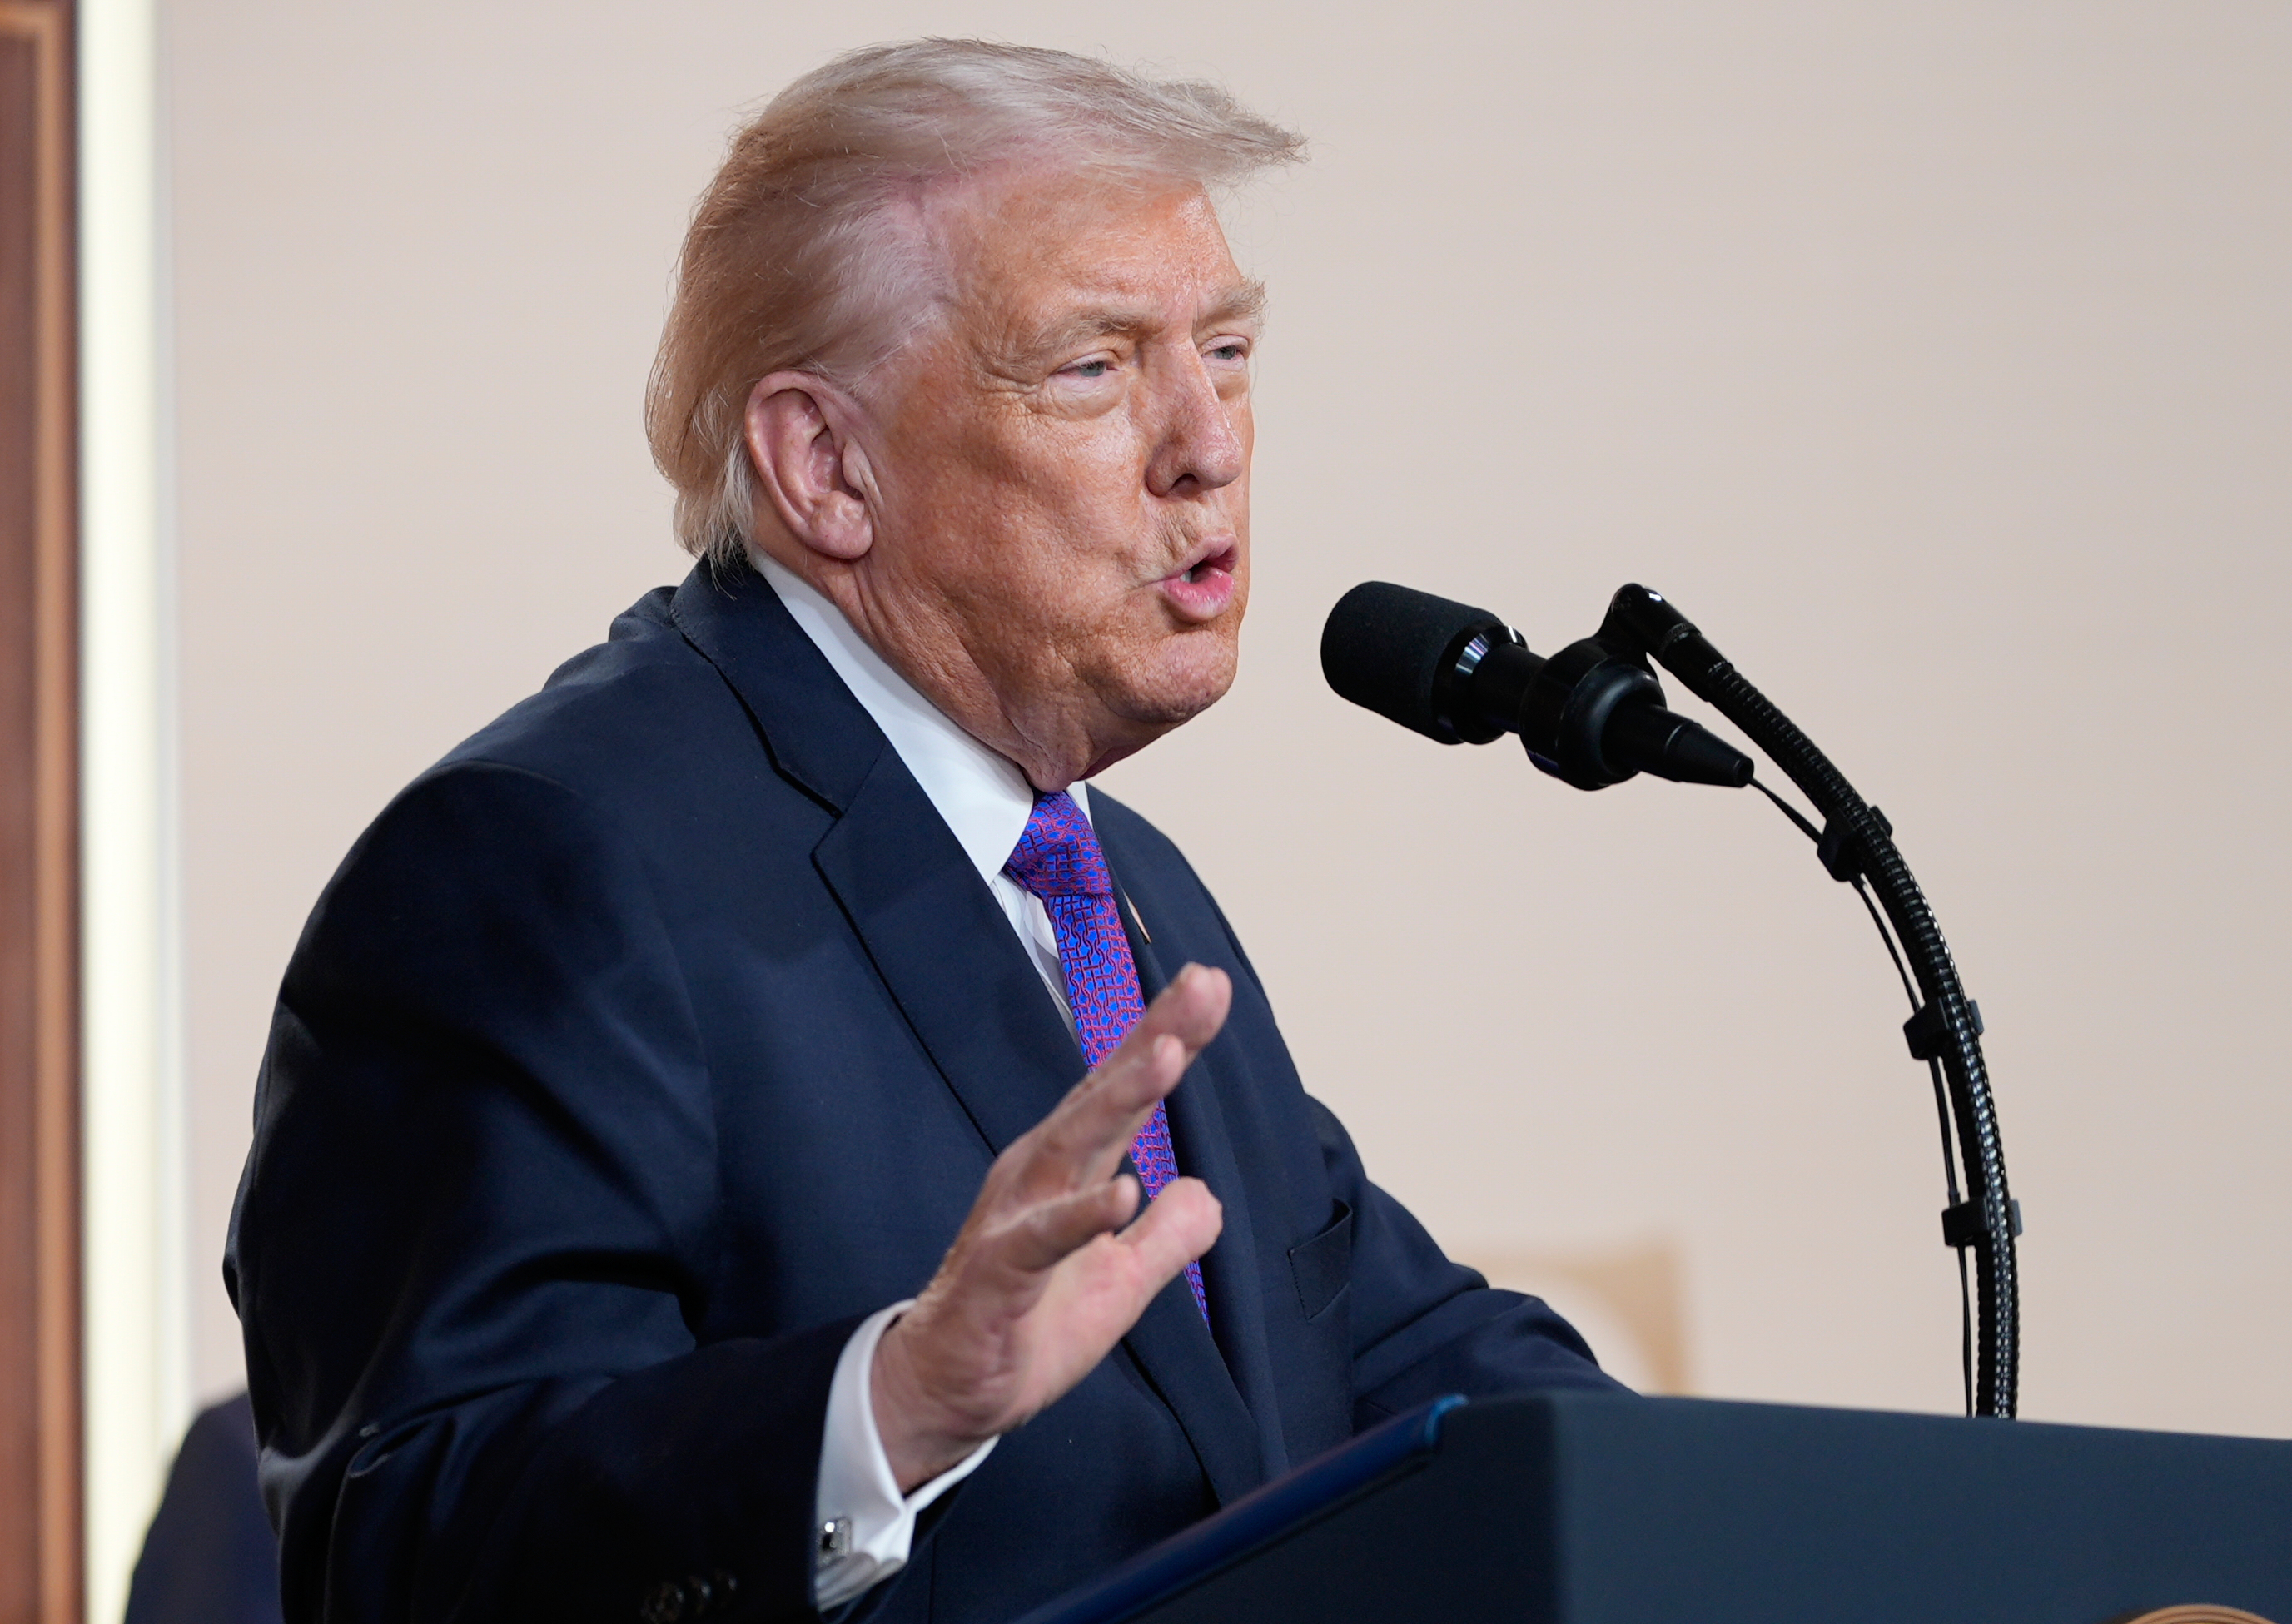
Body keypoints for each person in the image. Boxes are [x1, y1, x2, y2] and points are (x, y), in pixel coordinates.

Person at [228, 39, 1623, 1624]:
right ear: (825, 465)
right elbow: (406, 1544)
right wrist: (883, 1414)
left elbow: (1383, 1355)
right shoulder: (536, 866)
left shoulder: (1115, 884)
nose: (1208, 442)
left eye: (1224, 350)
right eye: (1095, 365)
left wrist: (1815, 1522)